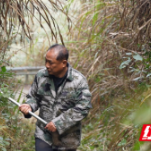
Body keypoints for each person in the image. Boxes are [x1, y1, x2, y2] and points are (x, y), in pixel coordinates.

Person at [19, 44, 92, 151]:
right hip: (44, 134)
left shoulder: (78, 81)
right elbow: (33, 97)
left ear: (63, 63)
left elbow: (83, 108)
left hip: (67, 138)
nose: (47, 65)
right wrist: (29, 106)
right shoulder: (41, 76)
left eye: (51, 62)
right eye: (46, 61)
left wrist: (59, 123)